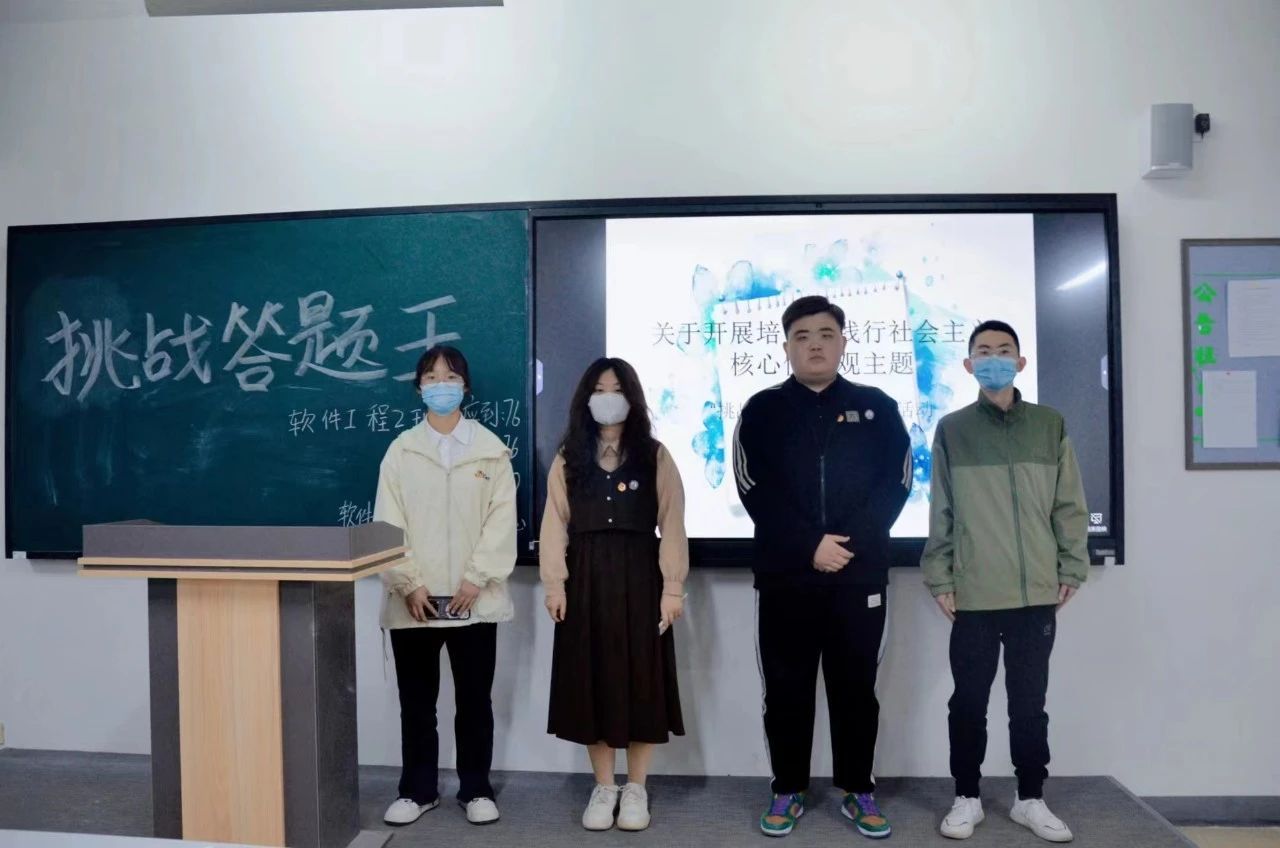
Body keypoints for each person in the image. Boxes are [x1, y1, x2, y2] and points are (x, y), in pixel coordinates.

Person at [732, 295, 912, 840]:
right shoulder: (761, 410)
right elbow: (752, 486)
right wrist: (808, 545)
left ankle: (858, 789)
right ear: (786, 346)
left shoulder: (878, 407)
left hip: (859, 577)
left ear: (843, 343)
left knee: (856, 689)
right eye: (803, 335)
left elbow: (897, 483)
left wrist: (845, 546)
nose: (815, 344)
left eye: (826, 334)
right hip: (786, 578)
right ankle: (788, 788)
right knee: (786, 689)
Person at [921, 320, 1089, 843]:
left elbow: (1069, 504)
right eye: (983, 351)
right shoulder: (952, 429)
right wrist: (940, 575)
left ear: (1020, 362)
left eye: (1003, 350)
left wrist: (1071, 566)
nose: (993, 358)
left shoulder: (1049, 424)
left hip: (1036, 592)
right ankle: (966, 797)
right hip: (973, 593)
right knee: (968, 703)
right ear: (968, 364)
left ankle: (1030, 798)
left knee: (1029, 704)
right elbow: (941, 509)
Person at [539, 357, 689, 832]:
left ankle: (636, 787)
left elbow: (673, 524)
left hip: (642, 577)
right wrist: (554, 584)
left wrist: (673, 588)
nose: (608, 398)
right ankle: (604, 786)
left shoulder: (655, 455)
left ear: (633, 397)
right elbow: (553, 524)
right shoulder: (569, 457)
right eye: (599, 389)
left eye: (617, 389)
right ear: (586, 399)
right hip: (584, 579)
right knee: (592, 679)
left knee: (642, 679)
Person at [373, 344, 518, 827]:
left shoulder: (491, 451)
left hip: (473, 600)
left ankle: (475, 789)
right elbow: (387, 522)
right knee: (417, 704)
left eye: (450, 376)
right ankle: (418, 791)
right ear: (419, 388)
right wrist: (409, 583)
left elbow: (502, 521)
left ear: (465, 387)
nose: (441, 385)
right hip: (414, 601)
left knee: (474, 701)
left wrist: (476, 579)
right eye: (432, 377)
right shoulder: (401, 451)